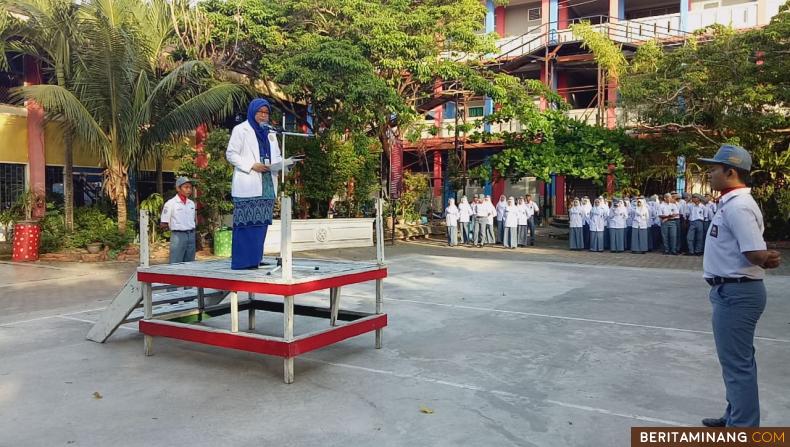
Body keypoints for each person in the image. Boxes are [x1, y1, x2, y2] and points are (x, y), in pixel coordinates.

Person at [698, 144, 781, 428]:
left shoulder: (740, 207)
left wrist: (766, 257)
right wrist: (764, 257)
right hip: (731, 290)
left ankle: (742, 428)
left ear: (730, 172)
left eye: (713, 168)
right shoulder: (731, 204)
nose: (709, 173)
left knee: (737, 365)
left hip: (737, 292)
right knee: (737, 362)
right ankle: (736, 415)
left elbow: (754, 252)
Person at [226, 98, 283, 270]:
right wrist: (251, 165)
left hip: (266, 182)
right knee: (245, 224)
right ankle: (242, 261)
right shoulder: (241, 130)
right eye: (260, 112)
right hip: (248, 180)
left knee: (261, 224)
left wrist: (281, 165)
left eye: (266, 113)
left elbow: (277, 156)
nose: (264, 116)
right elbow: (231, 154)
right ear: (252, 112)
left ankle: (255, 258)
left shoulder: (271, 134)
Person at [160, 176, 197, 264]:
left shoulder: (191, 203)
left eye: (190, 188)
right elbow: (164, 223)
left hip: (191, 234)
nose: (189, 190)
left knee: (190, 261)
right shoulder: (170, 203)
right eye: (186, 187)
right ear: (178, 188)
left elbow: (193, 219)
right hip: (178, 235)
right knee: (176, 261)